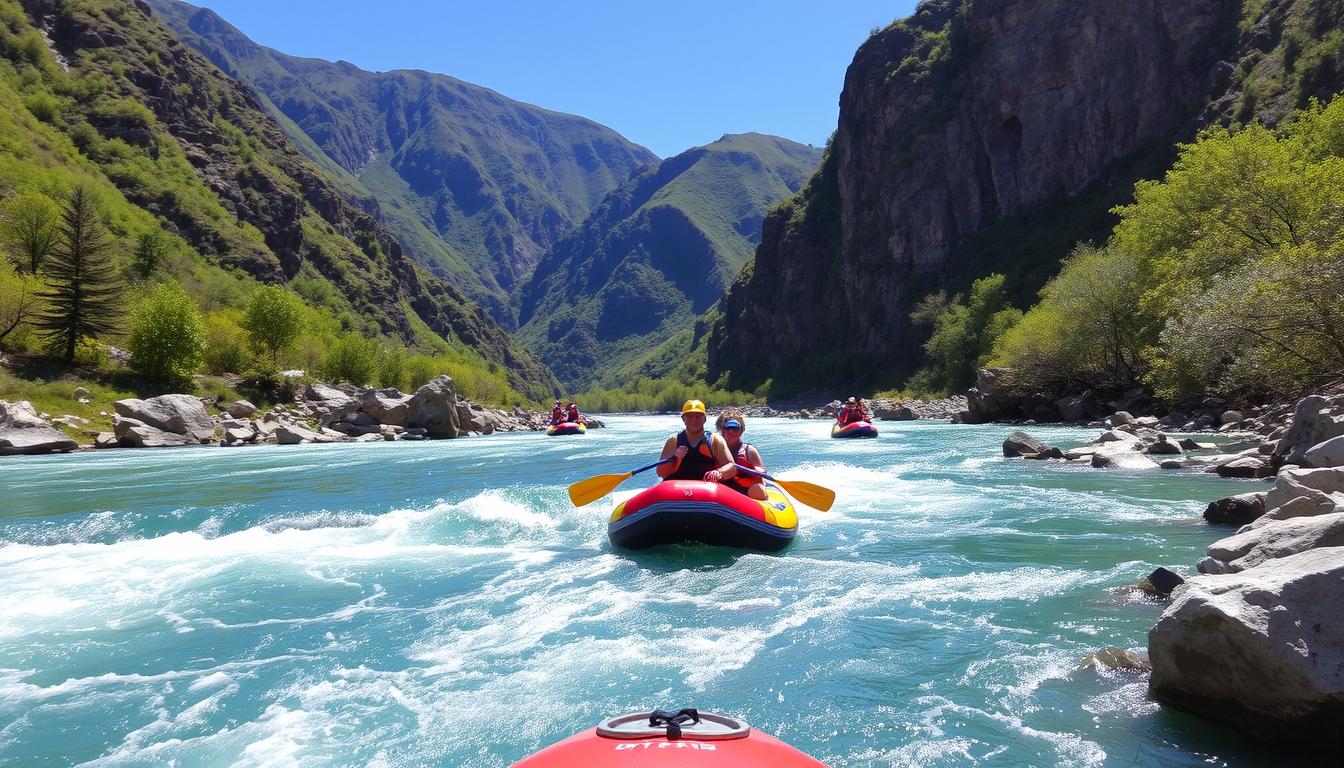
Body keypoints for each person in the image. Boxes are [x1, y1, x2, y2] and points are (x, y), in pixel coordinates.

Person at [657, 399, 735, 483]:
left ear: (704, 419)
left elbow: (732, 467)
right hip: (678, 491)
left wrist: (720, 472)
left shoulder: (715, 440)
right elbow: (661, 473)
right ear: (683, 419)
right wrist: (676, 459)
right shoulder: (673, 440)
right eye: (689, 416)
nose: (694, 420)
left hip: (705, 491)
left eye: (698, 416)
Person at [711, 409, 768, 499]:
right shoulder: (714, 450)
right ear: (721, 430)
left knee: (758, 490)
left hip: (746, 491)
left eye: (735, 428)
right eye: (728, 428)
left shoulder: (749, 450)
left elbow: (759, 468)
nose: (731, 432)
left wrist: (759, 471)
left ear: (741, 431)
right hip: (723, 490)